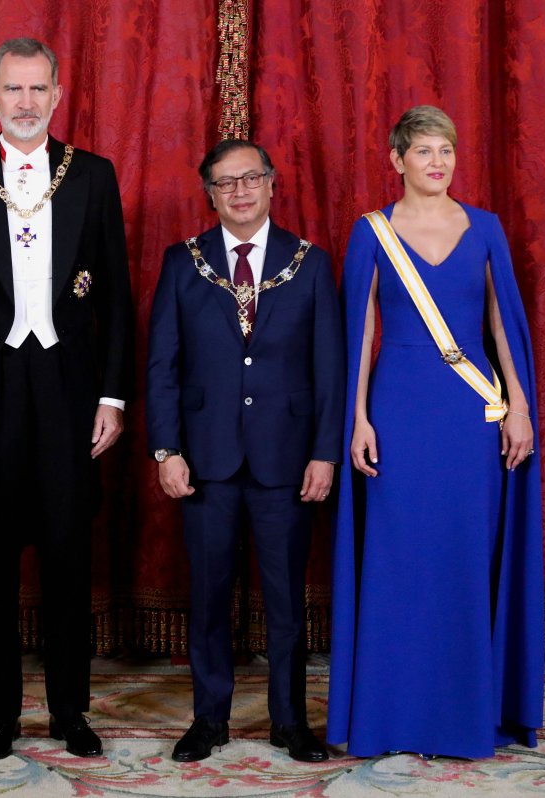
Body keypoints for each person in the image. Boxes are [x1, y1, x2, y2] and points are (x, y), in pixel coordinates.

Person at [0, 38, 133, 760]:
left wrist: (112, 396)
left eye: (39, 88)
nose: (26, 102)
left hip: (69, 385)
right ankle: (1, 715)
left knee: (69, 555)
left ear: (58, 94)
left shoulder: (93, 175)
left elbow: (117, 298)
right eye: (14, 88)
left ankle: (71, 710)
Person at [327, 105, 544, 759]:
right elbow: (360, 330)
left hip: (470, 416)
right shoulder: (371, 231)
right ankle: (391, 717)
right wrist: (357, 419)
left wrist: (520, 407)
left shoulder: (485, 228)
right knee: (399, 562)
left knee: (462, 558)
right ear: (397, 160)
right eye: (423, 150)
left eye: (445, 149)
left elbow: (502, 322)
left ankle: (463, 717)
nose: (437, 162)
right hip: (397, 410)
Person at [145, 140, 344, 763]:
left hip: (286, 460)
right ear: (210, 194)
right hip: (206, 460)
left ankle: (290, 722)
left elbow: (330, 368)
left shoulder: (309, 262)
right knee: (209, 598)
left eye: (251, 178)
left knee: (285, 602)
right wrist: (166, 450)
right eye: (226, 183)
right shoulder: (184, 262)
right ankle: (210, 721)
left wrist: (325, 453)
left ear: (272, 184)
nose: (240, 191)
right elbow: (162, 365)